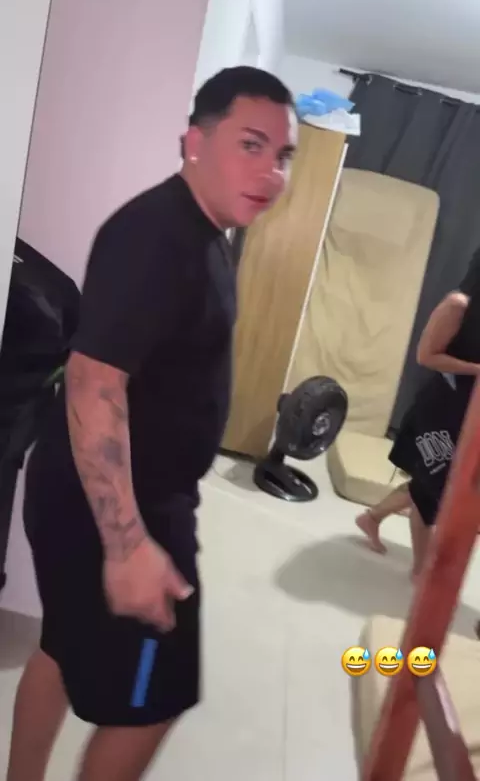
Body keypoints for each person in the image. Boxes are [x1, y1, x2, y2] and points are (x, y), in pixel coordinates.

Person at [6, 66, 298, 781]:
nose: (271, 172)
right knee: (152, 702)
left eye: (283, 154)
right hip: (119, 507)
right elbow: (92, 381)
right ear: (194, 142)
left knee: (60, 648)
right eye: (251, 144)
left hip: (106, 492)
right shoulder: (158, 237)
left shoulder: (205, 229)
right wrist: (129, 544)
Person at [356, 246, 480, 568]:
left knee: (432, 484)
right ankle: (420, 570)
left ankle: (372, 517)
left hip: (466, 414)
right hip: (439, 411)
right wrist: (477, 370)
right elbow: (426, 356)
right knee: (432, 490)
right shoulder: (458, 305)